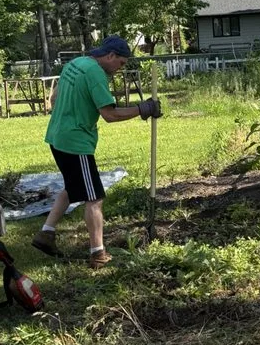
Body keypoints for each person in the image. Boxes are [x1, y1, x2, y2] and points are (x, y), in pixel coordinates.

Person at [31, 36, 162, 269]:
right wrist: (143, 108)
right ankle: (98, 253)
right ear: (110, 56)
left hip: (56, 136)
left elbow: (54, 98)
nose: (119, 69)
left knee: (72, 188)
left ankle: (46, 234)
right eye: (120, 63)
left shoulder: (76, 63)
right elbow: (109, 115)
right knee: (94, 198)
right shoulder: (96, 74)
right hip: (75, 143)